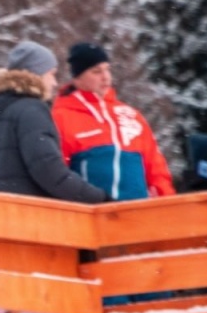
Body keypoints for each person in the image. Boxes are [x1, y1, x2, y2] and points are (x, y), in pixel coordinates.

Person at [0, 42, 108, 203]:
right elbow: (49, 170)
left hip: (4, 214)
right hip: (35, 215)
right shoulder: (30, 110)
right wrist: (98, 198)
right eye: (51, 74)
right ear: (36, 74)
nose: (54, 83)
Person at [51, 42, 175, 200]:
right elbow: (58, 174)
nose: (105, 77)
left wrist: (166, 203)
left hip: (139, 214)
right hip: (92, 216)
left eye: (107, 69)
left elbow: (157, 168)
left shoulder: (130, 115)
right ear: (77, 79)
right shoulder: (61, 117)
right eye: (96, 72)